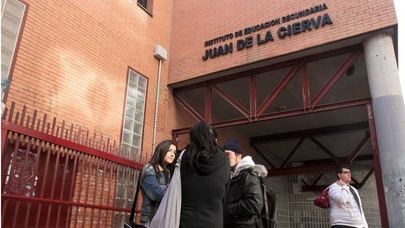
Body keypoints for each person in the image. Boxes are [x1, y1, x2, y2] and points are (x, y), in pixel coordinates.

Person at [180, 121, 231, 228]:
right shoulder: (223, 159)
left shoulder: (184, 157)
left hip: (184, 220)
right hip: (213, 221)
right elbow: (226, 194)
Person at [223, 139, 268, 228]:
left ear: (238, 155)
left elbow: (255, 204)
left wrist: (228, 209)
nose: (226, 158)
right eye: (224, 155)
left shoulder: (249, 174)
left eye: (228, 154)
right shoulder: (234, 176)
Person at [139, 140, 177, 226]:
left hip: (164, 218)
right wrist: (172, 187)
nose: (172, 154)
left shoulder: (167, 172)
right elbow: (156, 194)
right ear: (161, 150)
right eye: (169, 151)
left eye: (174, 152)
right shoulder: (149, 169)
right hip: (150, 219)